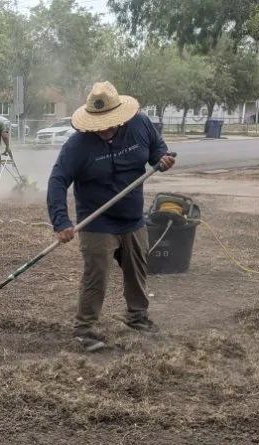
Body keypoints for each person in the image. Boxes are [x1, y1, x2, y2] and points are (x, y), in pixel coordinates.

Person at [47, 81, 176, 352]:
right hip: (97, 222)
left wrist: (162, 160)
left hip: (132, 218)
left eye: (109, 122)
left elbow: (157, 150)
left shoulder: (141, 125)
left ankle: (137, 317)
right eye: (98, 124)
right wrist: (61, 222)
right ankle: (84, 330)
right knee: (97, 275)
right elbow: (58, 181)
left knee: (137, 269)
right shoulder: (77, 146)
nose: (104, 129)